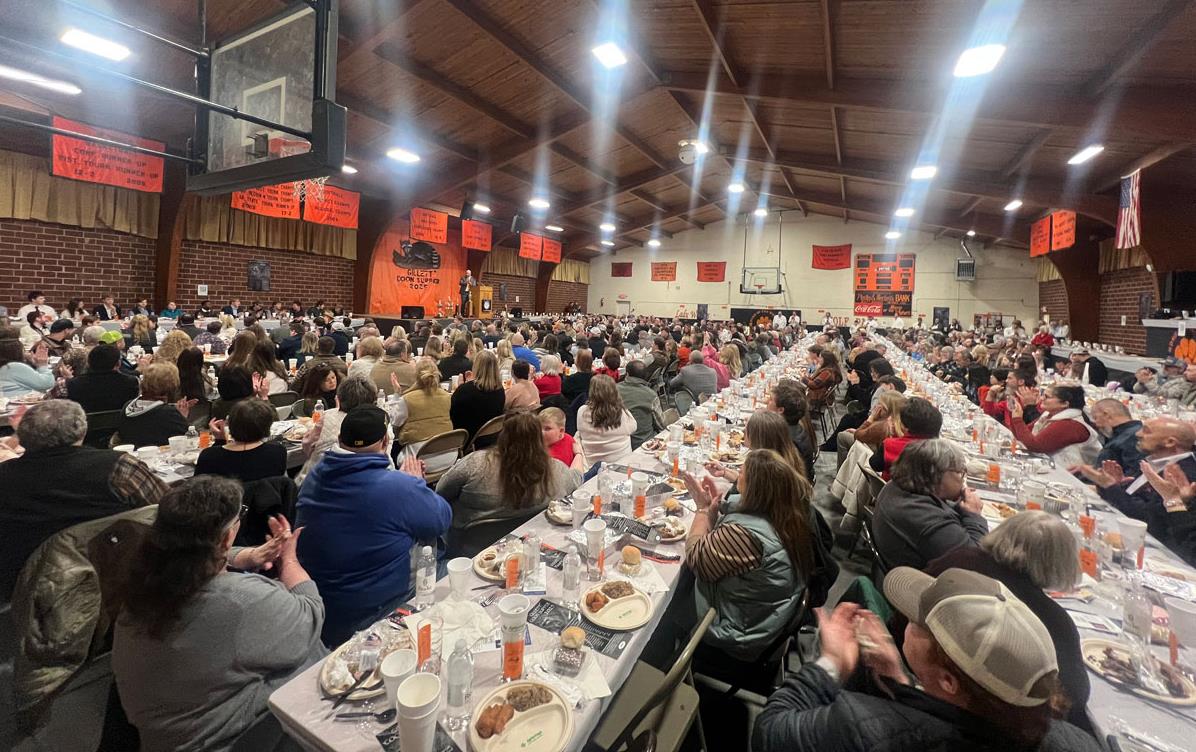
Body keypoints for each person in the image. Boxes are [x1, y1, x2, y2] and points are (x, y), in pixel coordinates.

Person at [753, 567, 1099, 752]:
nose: (906, 619)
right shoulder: (1075, 741)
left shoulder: (859, 723)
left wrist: (829, 664)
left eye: (919, 623)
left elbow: (769, 731)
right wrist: (901, 683)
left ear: (949, 680)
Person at [113, 476, 323, 752]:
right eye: (241, 518)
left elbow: (191, 550)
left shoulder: (142, 583)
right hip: (230, 739)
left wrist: (242, 557)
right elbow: (311, 612)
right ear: (226, 536)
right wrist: (289, 558)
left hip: (163, 735)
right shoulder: (241, 600)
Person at [297, 406, 452, 644]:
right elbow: (442, 519)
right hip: (380, 608)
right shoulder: (397, 487)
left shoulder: (313, 478)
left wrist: (406, 486)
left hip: (324, 607)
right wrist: (416, 486)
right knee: (450, 562)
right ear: (385, 442)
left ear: (340, 440)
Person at [926, 512, 1090, 730]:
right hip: (985, 716)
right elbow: (1075, 698)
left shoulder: (958, 559)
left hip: (938, 684)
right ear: (1061, 563)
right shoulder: (1055, 621)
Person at [0, 399, 169, 598]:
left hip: (27, 594)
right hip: (119, 582)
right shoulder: (118, 467)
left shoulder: (5, 477)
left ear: (24, 437)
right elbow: (170, 508)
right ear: (82, 430)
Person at [683, 449, 815, 660]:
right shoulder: (786, 513)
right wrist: (714, 511)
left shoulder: (746, 535)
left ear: (755, 488)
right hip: (762, 617)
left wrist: (701, 510)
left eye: (742, 472)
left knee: (670, 599)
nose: (738, 474)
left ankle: (669, 657)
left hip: (736, 634)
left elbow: (696, 560)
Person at [1074, 416, 1196, 565]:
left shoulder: (1183, 475)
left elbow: (1146, 519)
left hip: (1155, 553)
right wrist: (1115, 485)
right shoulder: (1153, 461)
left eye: (1146, 431)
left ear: (1170, 442)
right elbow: (1132, 499)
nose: (1137, 434)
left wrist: (1111, 488)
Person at [437, 411, 582, 530]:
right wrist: (579, 454)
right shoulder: (555, 470)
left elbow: (440, 491)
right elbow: (577, 478)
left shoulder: (475, 464)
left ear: (503, 437)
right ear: (539, 439)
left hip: (465, 551)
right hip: (525, 546)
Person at [872, 439, 988, 570]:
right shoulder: (923, 516)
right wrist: (974, 515)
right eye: (960, 473)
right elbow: (977, 562)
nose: (963, 480)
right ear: (938, 474)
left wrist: (960, 507)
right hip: (925, 585)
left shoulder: (898, 486)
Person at [295, 376, 382, 486]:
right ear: (373, 401)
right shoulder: (381, 421)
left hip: (316, 482)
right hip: (366, 483)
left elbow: (308, 445)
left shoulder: (327, 416)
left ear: (339, 398)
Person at [1007, 385, 1102, 467]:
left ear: (1065, 404)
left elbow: (1035, 446)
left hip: (1072, 477)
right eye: (1043, 395)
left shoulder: (1071, 424)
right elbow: (1021, 436)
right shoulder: (1049, 414)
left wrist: (1018, 419)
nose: (1041, 399)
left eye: (1047, 397)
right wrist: (1014, 414)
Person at [196, 398, 287, 482]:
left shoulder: (209, 456)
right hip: (266, 499)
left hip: (228, 499)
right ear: (268, 426)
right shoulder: (277, 451)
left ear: (231, 424)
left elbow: (198, 490)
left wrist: (220, 440)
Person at [117, 362, 195, 448]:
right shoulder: (167, 413)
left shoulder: (127, 406)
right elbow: (189, 439)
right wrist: (182, 417)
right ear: (171, 385)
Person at [870, 396, 943, 477]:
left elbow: (874, 465)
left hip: (891, 487)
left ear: (905, 424)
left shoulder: (890, 445)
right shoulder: (940, 455)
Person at [576, 373, 637, 464]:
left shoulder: (582, 412)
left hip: (593, 467)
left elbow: (581, 431)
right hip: (622, 464)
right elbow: (633, 428)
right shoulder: (621, 412)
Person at [448, 349, 506, 443]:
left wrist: (461, 387)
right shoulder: (500, 391)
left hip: (467, 440)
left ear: (476, 367)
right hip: (491, 438)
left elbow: (452, 415)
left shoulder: (465, 391)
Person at [66, 343, 140, 413]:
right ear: (118, 364)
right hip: (121, 424)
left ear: (89, 363)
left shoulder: (74, 384)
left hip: (86, 424)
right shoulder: (131, 382)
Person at [766, 379, 817, 480]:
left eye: (771, 400)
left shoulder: (785, 441)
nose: (767, 402)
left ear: (780, 410)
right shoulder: (797, 427)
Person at [396, 358, 453, 448]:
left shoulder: (407, 399)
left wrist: (396, 396)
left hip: (418, 454)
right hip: (449, 451)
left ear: (416, 376)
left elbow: (396, 423)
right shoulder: (447, 396)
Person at [1088, 398, 1146, 475]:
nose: (1096, 424)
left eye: (1096, 418)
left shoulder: (1133, 437)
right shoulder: (1125, 435)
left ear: (1106, 414)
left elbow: (1134, 476)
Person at [618, 360, 665, 449]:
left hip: (620, 443)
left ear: (627, 374)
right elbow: (661, 423)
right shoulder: (651, 395)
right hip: (644, 443)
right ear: (646, 376)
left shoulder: (614, 390)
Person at [0, 327, 55, 397]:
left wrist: (34, 364)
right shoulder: (12, 367)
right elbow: (47, 383)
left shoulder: (6, 367)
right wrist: (42, 365)